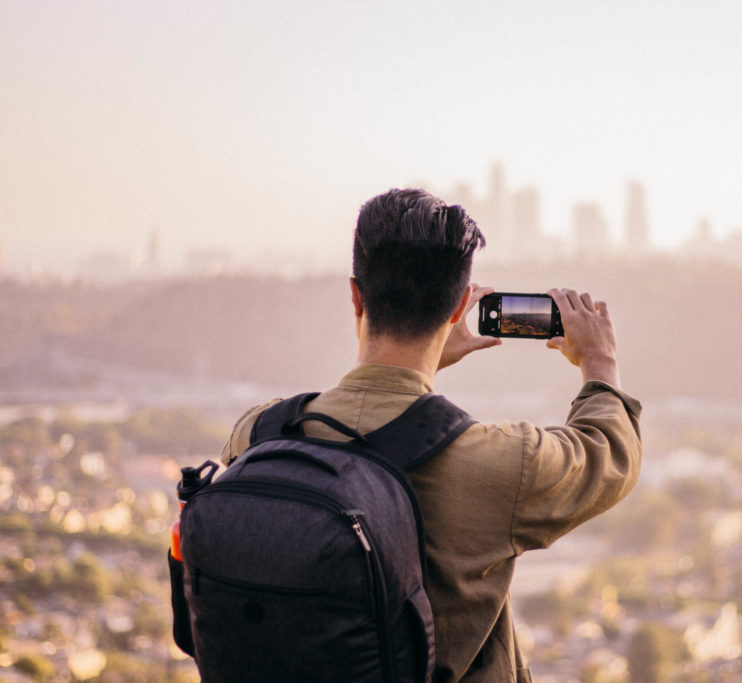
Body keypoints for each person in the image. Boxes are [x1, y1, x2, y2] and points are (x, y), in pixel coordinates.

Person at [219, 188, 642, 681]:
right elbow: (609, 453)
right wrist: (599, 359)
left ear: (356, 295)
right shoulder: (501, 464)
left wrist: (422, 359)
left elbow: (354, 416)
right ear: (461, 303)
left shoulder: (257, 432)